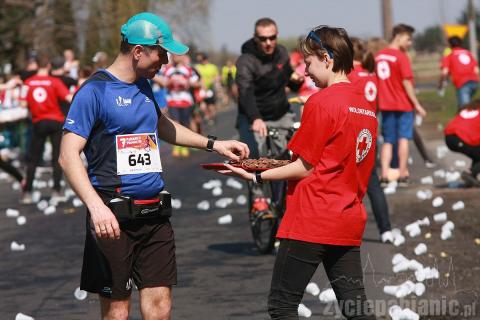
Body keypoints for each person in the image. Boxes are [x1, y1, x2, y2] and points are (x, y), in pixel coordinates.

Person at [59, 12, 248, 320]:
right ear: (138, 51)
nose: (166, 61)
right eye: (162, 53)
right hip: (113, 216)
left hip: (154, 214)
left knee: (160, 308)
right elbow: (68, 156)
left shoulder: (144, 87)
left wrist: (215, 144)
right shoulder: (94, 91)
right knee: (118, 312)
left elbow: (163, 126)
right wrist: (96, 207)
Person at [219, 26, 377, 320]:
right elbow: (336, 162)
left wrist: (255, 175)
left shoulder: (321, 102)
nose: (306, 71)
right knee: (356, 309)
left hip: (312, 217)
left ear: (327, 58)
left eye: (309, 62)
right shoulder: (366, 107)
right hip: (347, 218)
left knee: (282, 307)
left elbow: (304, 167)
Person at [236, 17, 302, 212]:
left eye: (272, 38)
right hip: (253, 115)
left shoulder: (281, 53)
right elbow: (245, 91)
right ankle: (258, 197)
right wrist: (256, 118)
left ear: (276, 36)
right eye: (263, 39)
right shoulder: (246, 61)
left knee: (287, 157)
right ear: (255, 38)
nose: (268, 43)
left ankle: (283, 198)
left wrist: (295, 81)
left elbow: (288, 79)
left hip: (280, 112)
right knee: (256, 155)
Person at [349, 37, 393, 243]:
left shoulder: (349, 75)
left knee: (347, 183)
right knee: (372, 183)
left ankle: (347, 228)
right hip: (370, 133)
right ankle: (386, 230)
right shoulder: (372, 75)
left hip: (351, 133)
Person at [375, 24, 427, 187]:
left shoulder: (379, 56)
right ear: (398, 36)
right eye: (408, 39)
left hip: (385, 104)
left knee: (388, 141)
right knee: (403, 139)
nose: (410, 43)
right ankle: (402, 174)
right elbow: (407, 83)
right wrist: (416, 104)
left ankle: (384, 175)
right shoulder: (400, 56)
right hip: (403, 104)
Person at [20, 53, 72, 204]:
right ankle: (56, 191)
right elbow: (68, 97)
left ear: (36, 65)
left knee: (33, 158)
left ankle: (27, 193)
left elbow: (23, 104)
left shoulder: (27, 83)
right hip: (56, 121)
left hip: (38, 122)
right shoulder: (54, 81)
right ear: (49, 65)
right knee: (56, 157)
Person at [163, 54, 200, 157]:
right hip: (172, 100)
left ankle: (184, 146)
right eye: (173, 56)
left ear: (181, 57)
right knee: (175, 123)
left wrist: (187, 82)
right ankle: (176, 146)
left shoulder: (188, 69)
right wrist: (169, 82)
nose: (175, 57)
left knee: (185, 123)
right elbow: (163, 82)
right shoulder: (167, 69)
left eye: (177, 55)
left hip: (185, 100)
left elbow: (198, 83)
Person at [445, 99, 480, 187]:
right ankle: (470, 174)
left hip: (449, 136)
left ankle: (472, 177)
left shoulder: (469, 108)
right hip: (459, 137)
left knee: (477, 152)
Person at [439, 36, 479, 109]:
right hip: (475, 83)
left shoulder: (449, 55)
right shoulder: (468, 53)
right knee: (464, 106)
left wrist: (441, 84)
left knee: (465, 109)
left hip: (462, 83)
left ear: (449, 45)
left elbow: (444, 72)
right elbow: (476, 70)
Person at [195, 52, 220, 124]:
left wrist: (213, 80)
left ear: (205, 59)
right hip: (201, 89)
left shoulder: (212, 67)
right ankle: (207, 116)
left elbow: (217, 77)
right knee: (202, 105)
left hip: (210, 89)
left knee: (211, 106)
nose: (200, 61)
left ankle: (212, 116)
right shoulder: (197, 67)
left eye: (201, 59)